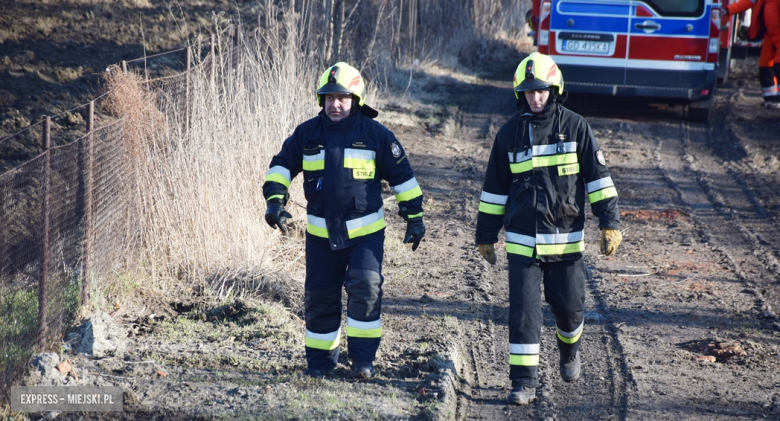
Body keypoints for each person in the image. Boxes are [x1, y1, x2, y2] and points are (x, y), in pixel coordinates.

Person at [474, 52, 622, 405]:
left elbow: (599, 180)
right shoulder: (508, 134)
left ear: (554, 90)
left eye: (541, 91)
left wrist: (609, 222)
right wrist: (485, 235)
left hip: (566, 242)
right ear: (520, 94)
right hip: (523, 243)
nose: (535, 98)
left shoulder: (576, 127)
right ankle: (523, 383)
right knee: (523, 314)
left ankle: (569, 351)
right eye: (529, 92)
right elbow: (494, 189)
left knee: (570, 310)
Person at [262, 62, 425, 378]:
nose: (335, 104)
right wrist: (274, 202)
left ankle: (363, 362)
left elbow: (403, 177)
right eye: (329, 97)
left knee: (365, 289)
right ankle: (321, 364)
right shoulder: (307, 134)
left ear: (357, 101)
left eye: (343, 98)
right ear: (321, 99)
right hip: (321, 238)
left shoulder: (377, 135)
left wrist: (414, 217)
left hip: (366, 235)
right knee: (320, 298)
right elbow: (281, 166)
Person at [725, 0, 780, 108]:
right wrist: (728, 10)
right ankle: (770, 97)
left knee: (779, 64)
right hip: (769, 34)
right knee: (765, 64)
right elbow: (746, 2)